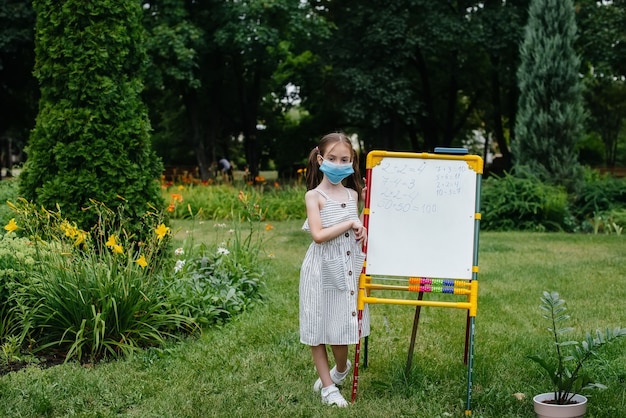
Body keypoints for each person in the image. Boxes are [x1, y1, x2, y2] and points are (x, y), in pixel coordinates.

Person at [299, 132, 370, 407]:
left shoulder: (353, 194)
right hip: (320, 270)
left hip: (346, 268)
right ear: (320, 159)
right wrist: (350, 224)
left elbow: (358, 224)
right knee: (318, 326)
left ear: (352, 162)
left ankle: (340, 369)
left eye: (345, 160)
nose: (338, 164)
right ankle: (329, 388)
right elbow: (318, 234)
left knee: (340, 327)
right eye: (332, 158)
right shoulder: (313, 196)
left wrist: (360, 227)